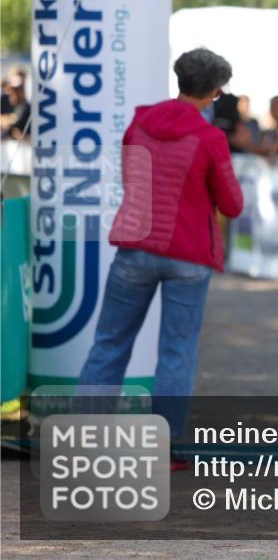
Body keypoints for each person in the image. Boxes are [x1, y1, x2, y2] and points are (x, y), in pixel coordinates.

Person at [77, 48, 243, 469]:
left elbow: (132, 176)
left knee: (110, 343)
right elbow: (233, 204)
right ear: (215, 91)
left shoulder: (139, 123)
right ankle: (162, 449)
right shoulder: (210, 139)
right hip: (188, 255)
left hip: (135, 245)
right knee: (177, 351)